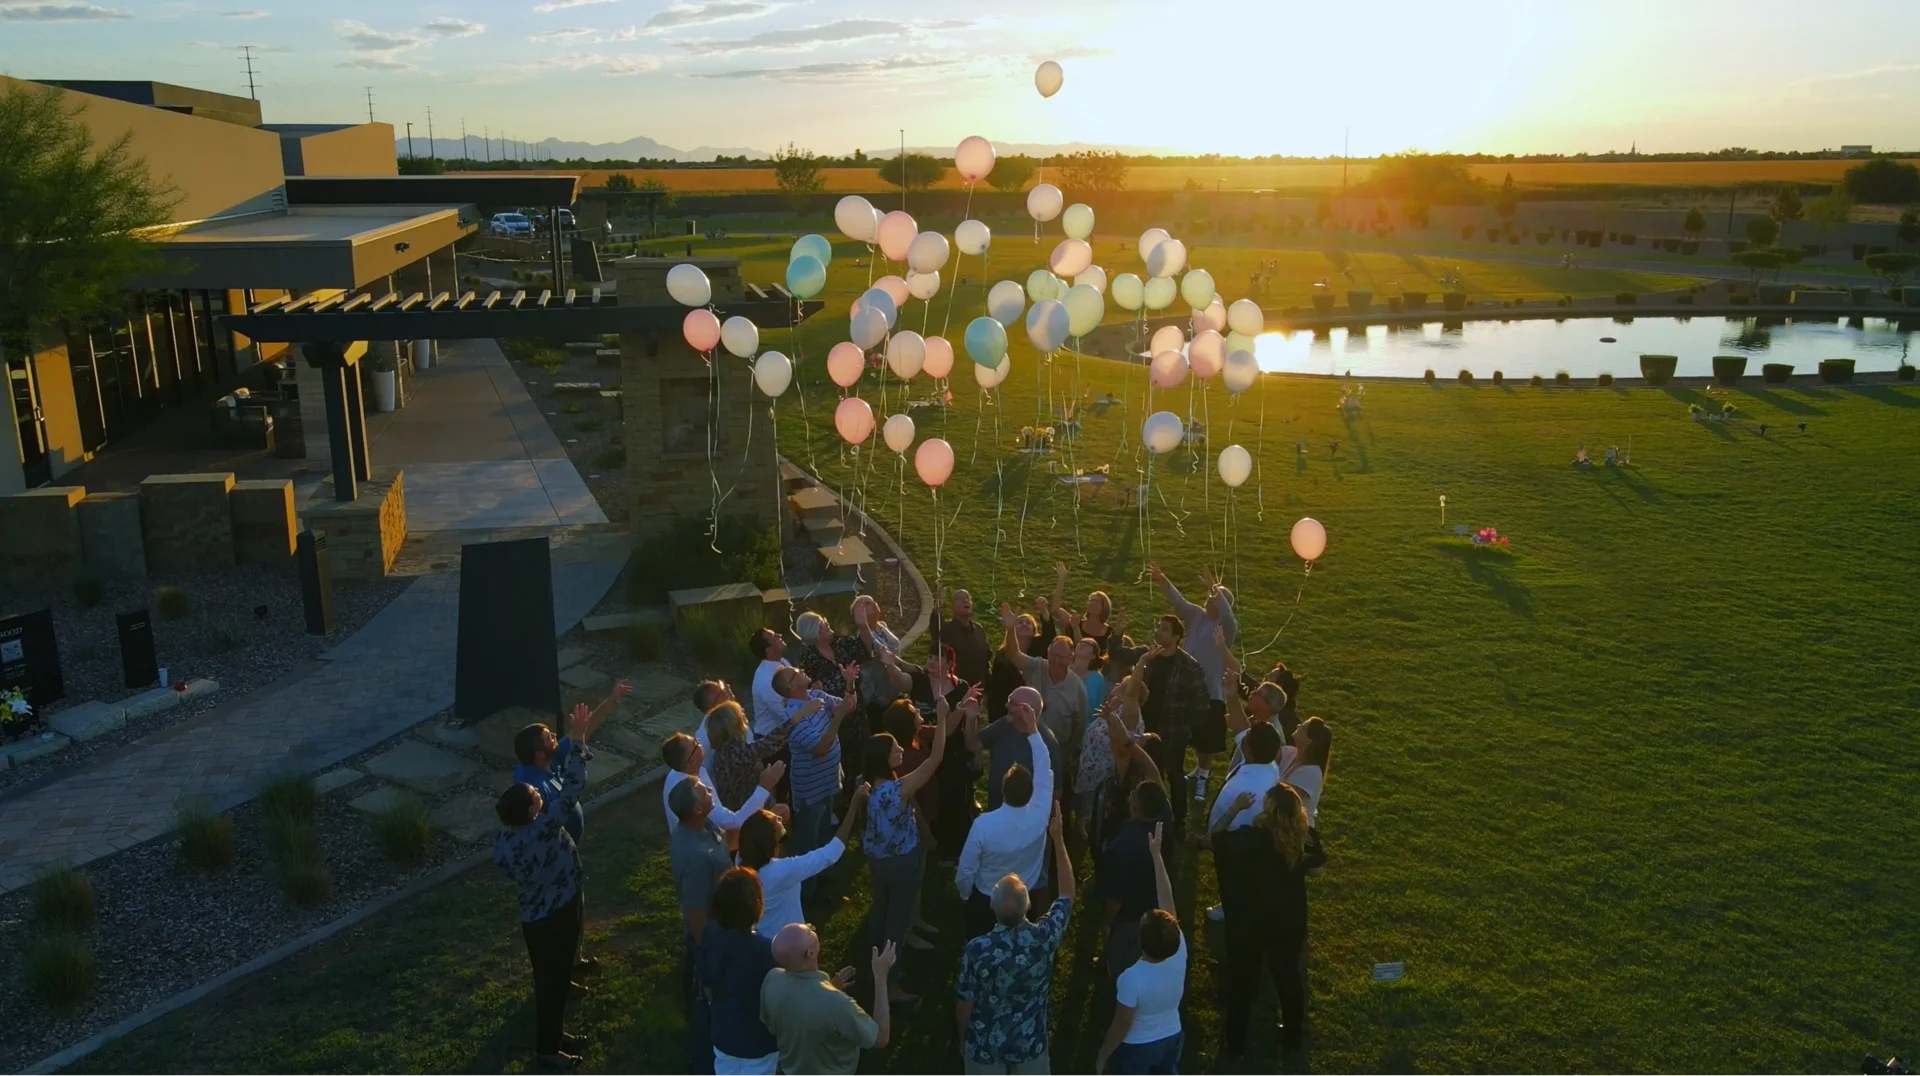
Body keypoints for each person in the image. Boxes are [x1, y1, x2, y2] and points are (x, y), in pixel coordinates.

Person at [953, 803, 1075, 1076]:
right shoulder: (1045, 937)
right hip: (1030, 1044)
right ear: (1028, 905)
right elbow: (1067, 894)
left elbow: (965, 1002)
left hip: (985, 1048)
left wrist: (963, 1039)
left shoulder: (977, 950)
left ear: (992, 908)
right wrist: (1058, 839)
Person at [861, 688, 965, 1001]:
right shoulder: (900, 789)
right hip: (901, 861)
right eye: (895, 750)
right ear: (885, 759)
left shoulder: (865, 786)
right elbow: (936, 757)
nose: (899, 751)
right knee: (898, 922)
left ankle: (872, 959)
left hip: (877, 859)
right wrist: (944, 718)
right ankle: (890, 982)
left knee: (880, 912)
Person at [1216, 784, 1326, 1057]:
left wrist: (1234, 809)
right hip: (1289, 919)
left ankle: (1236, 1043)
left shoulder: (1251, 838)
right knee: (1288, 977)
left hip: (1251, 920)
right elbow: (1317, 869)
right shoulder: (1304, 836)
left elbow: (1216, 837)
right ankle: (1292, 1035)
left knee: (1243, 981)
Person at [493, 771, 588, 1069]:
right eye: (535, 793)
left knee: (552, 977)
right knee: (549, 985)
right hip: (555, 914)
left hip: (535, 916)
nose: (539, 791)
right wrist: (578, 747)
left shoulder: (505, 839)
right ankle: (548, 1048)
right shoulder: (543, 828)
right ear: (533, 811)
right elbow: (572, 790)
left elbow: (506, 868)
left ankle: (556, 1034)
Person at [954, 696, 1053, 939]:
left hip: (987, 900)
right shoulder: (1041, 812)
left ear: (1002, 790)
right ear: (1032, 791)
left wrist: (966, 893)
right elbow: (1044, 765)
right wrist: (1033, 729)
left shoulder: (983, 825)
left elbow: (966, 870)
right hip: (1023, 897)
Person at [1097, 822, 1185, 1076]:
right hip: (1172, 1036)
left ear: (1141, 943)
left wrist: (1103, 1055)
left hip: (1138, 1047)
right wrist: (1156, 857)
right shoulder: (1179, 952)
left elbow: (1121, 1025)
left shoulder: (1131, 978)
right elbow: (1168, 901)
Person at [1148, 562, 1237, 802]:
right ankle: (1195, 772)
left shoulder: (1225, 629)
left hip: (1210, 692)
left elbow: (1230, 618)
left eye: (1214, 600)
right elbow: (1178, 601)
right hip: (1183, 689)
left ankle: (1203, 776)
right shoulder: (1196, 615)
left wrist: (1217, 591)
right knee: (1181, 734)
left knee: (1205, 743)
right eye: (1209, 598)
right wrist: (1161, 577)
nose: (1209, 602)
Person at [761, 925, 894, 1076]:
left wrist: (829, 987)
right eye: (809, 932)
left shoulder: (772, 979)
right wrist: (881, 975)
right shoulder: (836, 1004)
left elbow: (773, 1024)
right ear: (810, 953)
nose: (812, 928)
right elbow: (881, 1038)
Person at [512, 678, 630, 845]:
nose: (554, 737)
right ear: (539, 754)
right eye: (549, 738)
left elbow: (581, 733)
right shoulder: (534, 788)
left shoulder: (546, 758)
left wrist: (613, 699)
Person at [738, 790, 868, 938]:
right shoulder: (781, 871)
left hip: (762, 937)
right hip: (787, 943)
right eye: (775, 820)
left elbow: (754, 830)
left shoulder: (741, 860)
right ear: (770, 838)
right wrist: (853, 806)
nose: (779, 817)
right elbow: (831, 853)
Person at [774, 664, 860, 888]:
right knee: (808, 845)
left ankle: (822, 881)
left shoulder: (816, 695)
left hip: (828, 782)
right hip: (810, 792)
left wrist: (850, 683)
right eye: (796, 673)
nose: (801, 670)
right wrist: (838, 718)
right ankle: (807, 891)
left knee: (823, 835)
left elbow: (847, 706)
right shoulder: (793, 717)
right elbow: (821, 748)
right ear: (792, 686)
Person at [669, 777, 732, 1075]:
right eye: (705, 791)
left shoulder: (704, 828)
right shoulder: (695, 858)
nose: (710, 789)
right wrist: (710, 955)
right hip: (709, 939)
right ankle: (702, 1061)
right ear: (697, 808)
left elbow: (724, 847)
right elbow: (696, 914)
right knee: (704, 1001)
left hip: (721, 929)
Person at [697, 867, 779, 1075]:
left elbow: (707, 985)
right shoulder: (767, 951)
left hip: (724, 1035)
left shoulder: (711, 933)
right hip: (759, 1044)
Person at [997, 604, 1088, 788]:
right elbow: (1014, 654)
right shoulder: (1037, 667)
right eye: (1052, 655)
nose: (1055, 660)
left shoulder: (1077, 688)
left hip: (1056, 751)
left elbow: (1079, 724)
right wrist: (1010, 629)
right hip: (1026, 745)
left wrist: (1067, 753)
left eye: (1062, 657)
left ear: (1071, 659)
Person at [1133, 613, 1210, 833]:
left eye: (1165, 629)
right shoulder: (1149, 659)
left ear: (1177, 637)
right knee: (1143, 770)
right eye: (1159, 627)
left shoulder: (1189, 667)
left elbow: (1201, 703)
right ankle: (1144, 813)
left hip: (1173, 731)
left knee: (1174, 774)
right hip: (1146, 727)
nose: (1158, 631)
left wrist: (1186, 727)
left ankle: (1178, 821)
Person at [913, 646, 984, 856]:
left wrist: (962, 707)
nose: (932, 661)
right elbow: (903, 674)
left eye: (938, 658)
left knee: (953, 798)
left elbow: (956, 729)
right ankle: (931, 844)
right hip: (926, 748)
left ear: (950, 663)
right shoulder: (919, 682)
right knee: (930, 798)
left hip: (952, 751)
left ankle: (955, 849)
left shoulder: (960, 686)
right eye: (930, 656)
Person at [1098, 779, 1170, 980]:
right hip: (1158, 910)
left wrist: (1107, 922)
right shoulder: (1165, 824)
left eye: (1134, 796)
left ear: (1136, 807)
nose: (1129, 797)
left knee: (1125, 975)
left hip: (1129, 922)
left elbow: (1114, 899)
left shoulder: (1122, 846)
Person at [660, 732, 779, 835]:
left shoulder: (684, 770)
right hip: (708, 847)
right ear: (692, 760)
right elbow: (734, 822)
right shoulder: (694, 794)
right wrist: (764, 786)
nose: (700, 742)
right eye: (696, 743)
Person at [976, 685, 1063, 811]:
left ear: (1025, 710)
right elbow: (972, 744)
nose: (1006, 705)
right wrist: (971, 717)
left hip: (1024, 822)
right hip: (995, 811)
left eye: (1012, 703)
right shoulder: (1004, 724)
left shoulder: (1047, 743)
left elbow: (1056, 792)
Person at [705, 700, 796, 813]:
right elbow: (769, 743)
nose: (745, 716)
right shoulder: (735, 752)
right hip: (748, 813)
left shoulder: (723, 751)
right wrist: (796, 718)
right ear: (734, 725)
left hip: (742, 809)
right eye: (741, 715)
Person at [934, 586, 994, 686]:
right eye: (959, 599)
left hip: (979, 689)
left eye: (968, 598)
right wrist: (939, 604)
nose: (965, 601)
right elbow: (935, 624)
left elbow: (986, 658)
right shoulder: (946, 630)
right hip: (956, 688)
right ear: (952, 606)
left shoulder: (978, 629)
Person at [1281, 716, 1333, 825]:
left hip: (1292, 829)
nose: (1297, 725)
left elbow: (1284, 803)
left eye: (1303, 727)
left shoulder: (1310, 773)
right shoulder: (1290, 753)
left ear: (1310, 741)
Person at [749, 628, 794, 736]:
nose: (780, 635)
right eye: (774, 636)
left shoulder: (782, 661)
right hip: (771, 741)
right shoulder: (765, 681)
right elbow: (786, 714)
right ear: (768, 650)